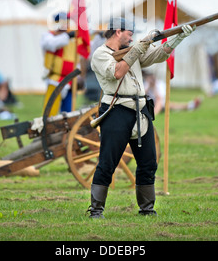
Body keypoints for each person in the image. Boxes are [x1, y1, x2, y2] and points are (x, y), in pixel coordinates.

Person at [87, 17, 195, 218]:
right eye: (129, 33)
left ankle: (147, 209)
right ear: (118, 31)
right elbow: (118, 73)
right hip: (116, 111)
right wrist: (137, 47)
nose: (132, 37)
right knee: (107, 162)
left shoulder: (131, 51)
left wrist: (177, 38)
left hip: (140, 110)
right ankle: (96, 210)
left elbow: (158, 55)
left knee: (148, 162)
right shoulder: (101, 54)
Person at [41, 12, 77, 116]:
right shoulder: (48, 36)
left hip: (70, 81)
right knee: (50, 113)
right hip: (55, 80)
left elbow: (77, 58)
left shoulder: (72, 38)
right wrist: (67, 36)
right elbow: (51, 44)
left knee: (69, 114)